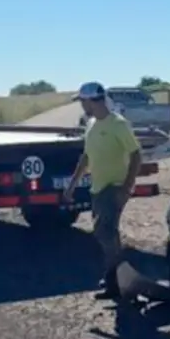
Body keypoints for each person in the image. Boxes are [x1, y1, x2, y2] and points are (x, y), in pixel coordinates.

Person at [63, 81, 143, 299]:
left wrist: (126, 188)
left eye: (82, 101)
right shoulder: (91, 125)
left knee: (105, 232)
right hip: (97, 188)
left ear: (91, 100)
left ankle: (118, 281)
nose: (81, 105)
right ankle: (118, 279)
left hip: (113, 187)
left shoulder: (118, 124)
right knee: (105, 233)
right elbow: (86, 157)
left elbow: (136, 155)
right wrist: (72, 184)